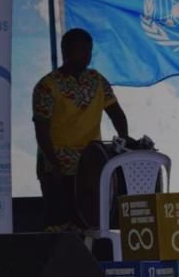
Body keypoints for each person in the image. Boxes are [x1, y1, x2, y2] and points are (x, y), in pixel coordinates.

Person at [32, 28, 131, 232]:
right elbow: (41, 129)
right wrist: (54, 164)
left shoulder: (97, 80)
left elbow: (117, 114)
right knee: (59, 228)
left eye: (89, 50)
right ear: (65, 51)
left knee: (89, 226)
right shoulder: (47, 86)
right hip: (58, 166)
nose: (87, 55)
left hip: (91, 165)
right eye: (81, 50)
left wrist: (123, 140)